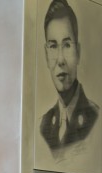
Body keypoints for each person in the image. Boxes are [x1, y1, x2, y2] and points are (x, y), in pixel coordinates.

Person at [39, 0, 99, 163]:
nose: (60, 60)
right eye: (53, 46)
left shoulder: (96, 119)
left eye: (67, 45)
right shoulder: (43, 126)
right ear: (46, 56)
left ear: (78, 52)